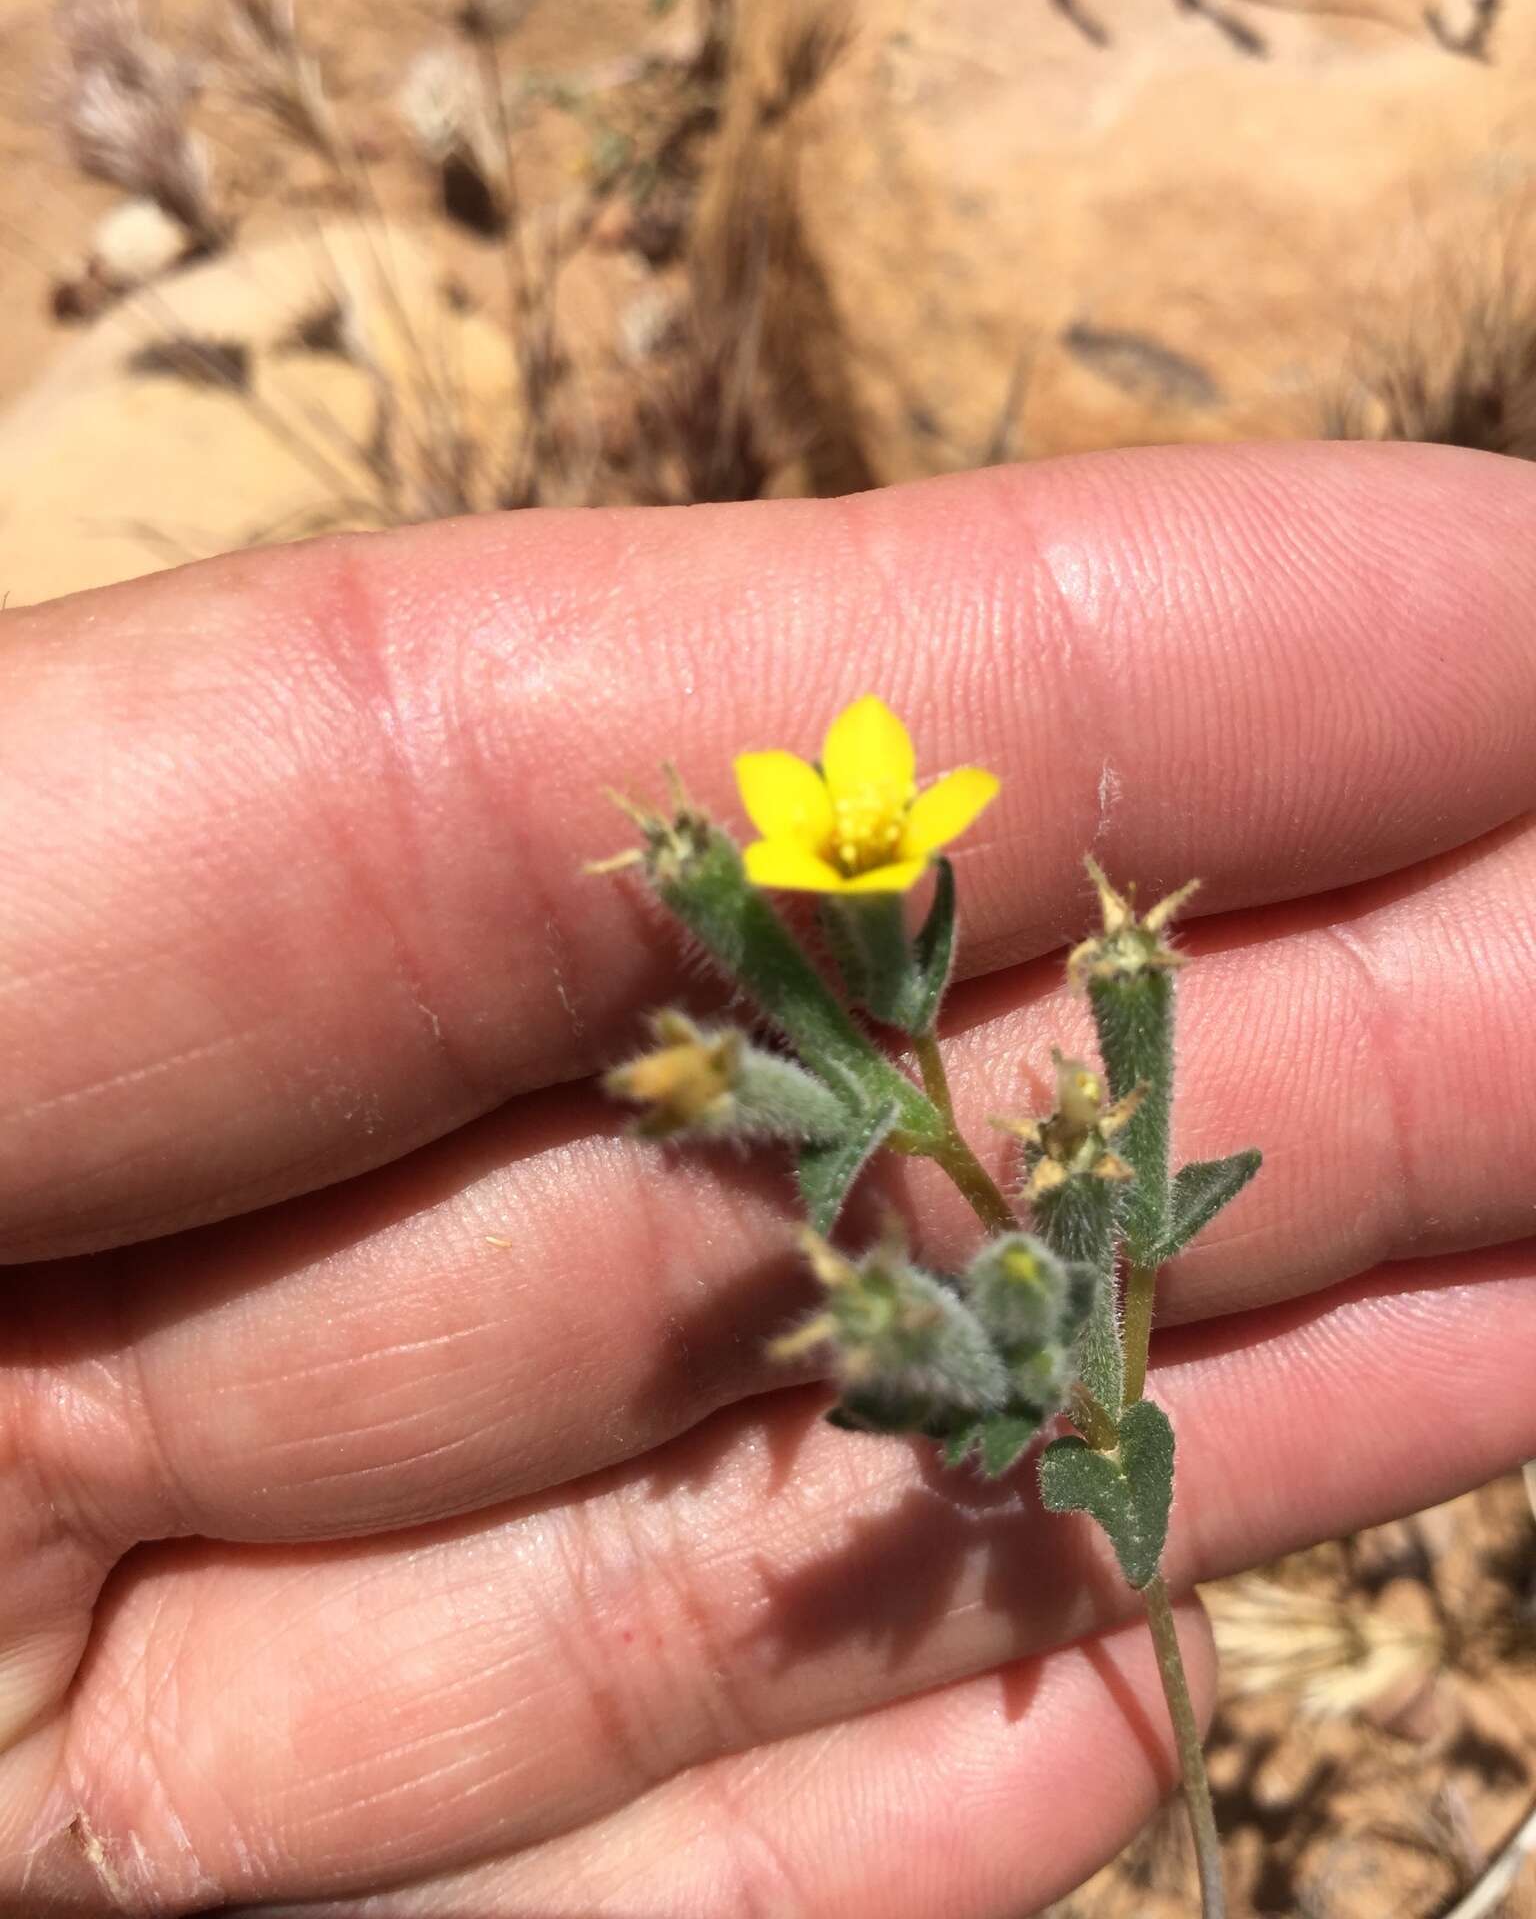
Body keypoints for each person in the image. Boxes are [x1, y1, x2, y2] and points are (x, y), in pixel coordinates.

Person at [1, 440, 1532, 1917]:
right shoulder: (877, 994)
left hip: (995, 1245)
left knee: (1049, 1218)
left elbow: (1040, 1243)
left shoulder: (912, 935)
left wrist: (1077, 1209)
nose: (872, 838)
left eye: (880, 846)